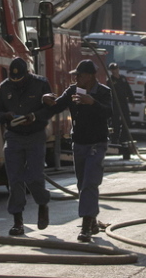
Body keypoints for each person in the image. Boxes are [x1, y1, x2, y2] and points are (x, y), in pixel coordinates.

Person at [42, 59, 113, 242]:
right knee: (83, 185)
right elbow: (58, 106)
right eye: (75, 75)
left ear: (90, 76)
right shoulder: (73, 91)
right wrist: (46, 101)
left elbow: (110, 113)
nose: (76, 78)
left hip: (97, 143)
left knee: (90, 182)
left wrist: (92, 103)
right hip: (79, 143)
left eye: (79, 75)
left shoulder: (104, 92)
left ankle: (86, 226)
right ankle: (93, 220)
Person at [0, 57, 53, 236]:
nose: (16, 83)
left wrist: (34, 116)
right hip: (14, 137)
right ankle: (17, 221)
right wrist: (7, 116)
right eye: (13, 79)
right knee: (15, 180)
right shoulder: (4, 87)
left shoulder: (41, 84)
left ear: (27, 74)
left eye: (19, 79)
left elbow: (50, 109)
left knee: (34, 176)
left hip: (35, 135)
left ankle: (42, 204)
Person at [108, 62, 136, 156]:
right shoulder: (110, 80)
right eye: (113, 69)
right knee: (115, 122)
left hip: (124, 103)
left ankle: (123, 138)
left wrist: (132, 99)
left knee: (127, 121)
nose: (115, 71)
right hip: (115, 104)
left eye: (116, 69)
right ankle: (114, 139)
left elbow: (128, 89)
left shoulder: (123, 78)